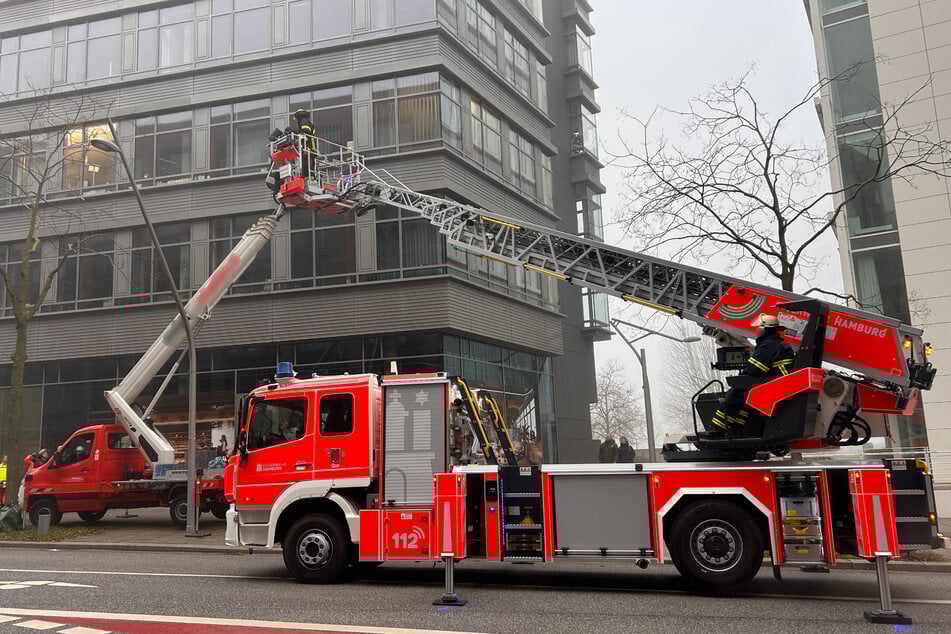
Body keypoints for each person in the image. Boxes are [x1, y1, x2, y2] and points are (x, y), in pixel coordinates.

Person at [709, 313, 795, 436]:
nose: (756, 331)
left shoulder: (769, 345)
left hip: (776, 385)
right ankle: (738, 431)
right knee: (745, 398)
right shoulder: (776, 342)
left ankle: (716, 431)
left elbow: (756, 369)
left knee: (735, 395)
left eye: (758, 328)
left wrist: (741, 378)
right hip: (780, 383)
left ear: (765, 329)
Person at [292, 109, 318, 180]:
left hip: (308, 147)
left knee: (307, 164)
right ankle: (308, 178)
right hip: (309, 147)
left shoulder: (304, 121)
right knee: (307, 165)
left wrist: (294, 133)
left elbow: (306, 132)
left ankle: (310, 179)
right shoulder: (306, 122)